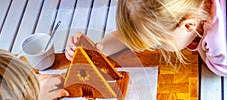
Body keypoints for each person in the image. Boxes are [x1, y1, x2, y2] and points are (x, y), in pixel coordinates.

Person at [65, 0, 227, 76]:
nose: (151, 46)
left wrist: (200, 47)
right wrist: (97, 49)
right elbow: (132, 34)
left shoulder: (219, 46)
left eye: (157, 42)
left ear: (188, 26)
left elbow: (217, 68)